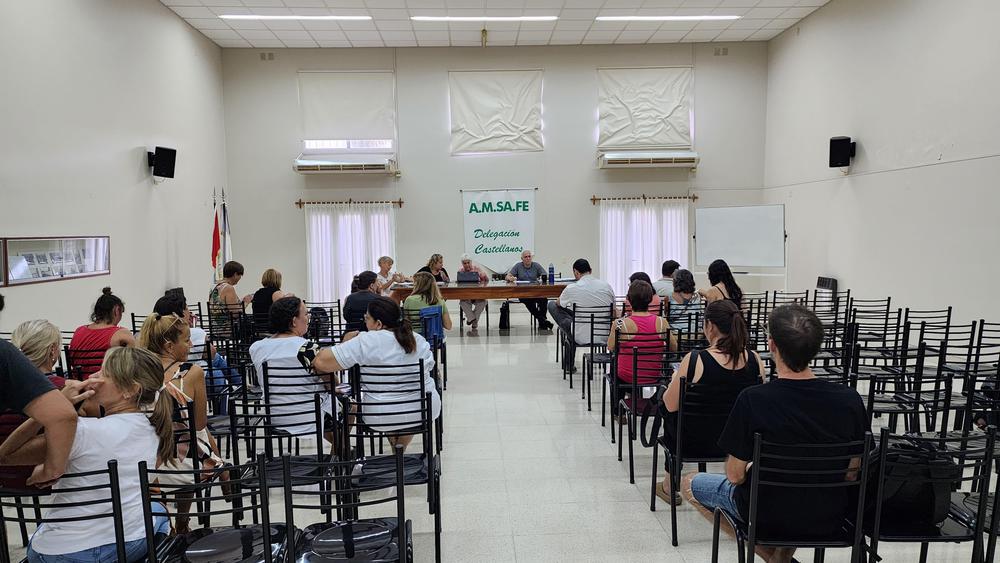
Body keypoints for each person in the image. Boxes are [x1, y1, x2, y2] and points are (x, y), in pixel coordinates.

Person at [680, 305, 868, 563]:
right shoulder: (850, 400)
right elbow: (852, 472)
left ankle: (772, 558)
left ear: (772, 345)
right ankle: (780, 557)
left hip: (765, 514)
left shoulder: (754, 399)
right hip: (830, 515)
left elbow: (734, 476)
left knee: (689, 482)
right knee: (795, 496)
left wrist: (756, 467)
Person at [0, 346, 173, 562]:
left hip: (59, 553)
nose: (93, 377)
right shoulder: (157, 431)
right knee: (158, 510)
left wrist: (55, 409)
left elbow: (5, 456)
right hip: (125, 545)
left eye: (103, 373)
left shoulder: (81, 431)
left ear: (130, 390)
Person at [655, 300, 764, 506]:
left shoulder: (695, 360)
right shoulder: (754, 360)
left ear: (710, 326)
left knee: (670, 415)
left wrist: (673, 381)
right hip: (737, 445)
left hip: (692, 443)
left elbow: (670, 406)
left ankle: (669, 485)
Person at [313, 297, 441, 451]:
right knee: (404, 402)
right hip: (423, 410)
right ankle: (399, 449)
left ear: (378, 324)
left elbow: (320, 362)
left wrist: (344, 344)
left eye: (367, 319)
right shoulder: (418, 340)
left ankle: (396, 449)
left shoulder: (365, 340)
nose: (365, 322)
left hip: (379, 413)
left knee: (386, 404)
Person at [139, 312, 225, 535]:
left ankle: (164, 520)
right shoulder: (192, 372)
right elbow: (199, 424)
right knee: (193, 437)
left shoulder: (136, 372)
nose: (191, 345)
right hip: (184, 467)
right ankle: (183, 520)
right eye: (186, 340)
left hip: (144, 465)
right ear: (169, 346)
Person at [0, 294, 80, 489]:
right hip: (45, 484)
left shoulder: (6, 383)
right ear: (53, 351)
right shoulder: (68, 389)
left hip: (5, 483)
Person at [249, 297, 337, 442]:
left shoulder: (256, 347)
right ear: (294, 321)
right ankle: (340, 452)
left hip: (274, 416)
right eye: (306, 314)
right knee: (350, 406)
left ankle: (339, 450)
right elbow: (333, 383)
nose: (308, 318)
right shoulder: (307, 348)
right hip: (308, 416)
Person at [607, 281, 675, 419]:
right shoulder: (662, 322)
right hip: (654, 374)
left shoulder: (620, 324)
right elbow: (674, 348)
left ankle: (618, 412)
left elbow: (610, 347)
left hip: (627, 376)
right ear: (650, 299)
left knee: (614, 365)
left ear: (629, 300)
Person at [547, 258, 615, 369]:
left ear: (576, 272)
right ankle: (568, 364)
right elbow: (614, 311)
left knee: (551, 305)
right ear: (591, 270)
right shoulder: (607, 286)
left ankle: (568, 365)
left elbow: (558, 304)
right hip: (604, 335)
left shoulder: (572, 288)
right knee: (576, 318)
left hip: (580, 336)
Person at [68, 287, 135, 378]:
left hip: (79, 384)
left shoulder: (78, 331)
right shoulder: (121, 334)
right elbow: (134, 364)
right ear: (116, 310)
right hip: (107, 383)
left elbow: (72, 361)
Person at [505, 250, 552, 329]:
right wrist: (510, 278)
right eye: (525, 257)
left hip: (535, 292)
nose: (528, 258)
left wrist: (542, 277)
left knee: (544, 299)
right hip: (522, 292)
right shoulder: (518, 266)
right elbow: (507, 276)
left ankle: (542, 321)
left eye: (529, 256)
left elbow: (545, 275)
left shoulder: (536, 265)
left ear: (531, 257)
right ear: (522, 259)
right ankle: (542, 321)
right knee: (528, 301)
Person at [208, 260, 253, 333]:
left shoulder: (214, 286)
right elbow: (235, 314)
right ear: (235, 274)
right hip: (227, 329)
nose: (240, 278)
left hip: (215, 328)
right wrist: (245, 303)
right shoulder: (229, 288)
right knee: (253, 325)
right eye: (240, 275)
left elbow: (221, 306)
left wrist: (240, 301)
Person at [456, 254, 490, 334]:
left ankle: (471, 319)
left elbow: (487, 281)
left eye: (468, 262)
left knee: (483, 302)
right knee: (463, 302)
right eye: (465, 263)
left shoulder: (477, 269)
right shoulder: (460, 271)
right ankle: (473, 319)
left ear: (471, 262)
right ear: (462, 264)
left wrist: (484, 275)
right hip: (466, 295)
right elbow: (458, 283)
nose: (467, 265)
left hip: (478, 294)